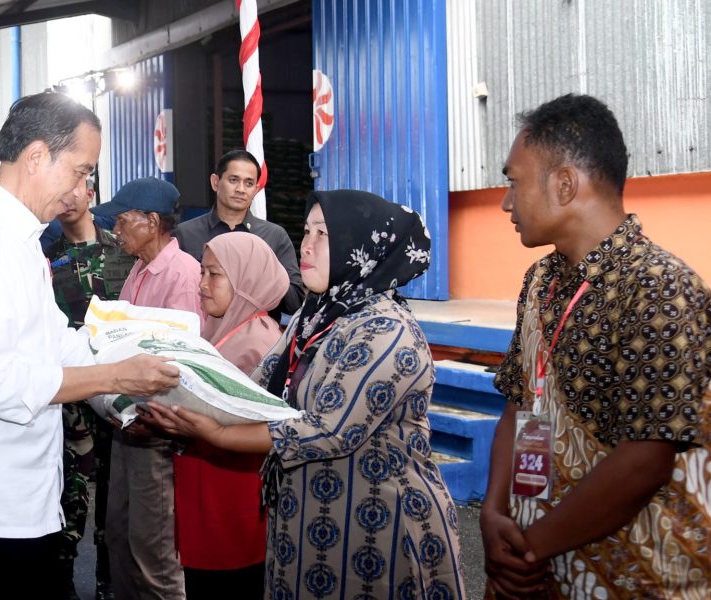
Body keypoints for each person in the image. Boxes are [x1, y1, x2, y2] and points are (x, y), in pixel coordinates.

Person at [147, 190, 466, 600]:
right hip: (308, 525)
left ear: (361, 247)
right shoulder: (315, 316)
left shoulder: (385, 329)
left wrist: (216, 432)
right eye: (306, 230)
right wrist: (182, 399)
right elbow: (256, 391)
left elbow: (328, 430)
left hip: (375, 530)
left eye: (324, 233)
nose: (307, 244)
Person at [0, 92, 181, 600]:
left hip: (21, 490)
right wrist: (117, 375)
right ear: (38, 156)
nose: (82, 189)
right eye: (81, 170)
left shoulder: (18, 240)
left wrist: (127, 345)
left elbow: (51, 342)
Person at [481, 94, 711, 599]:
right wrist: (493, 513)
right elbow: (519, 402)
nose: (506, 202)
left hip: (636, 576)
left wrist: (528, 551)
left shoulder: (660, 288)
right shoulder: (541, 280)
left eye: (513, 181)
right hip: (536, 561)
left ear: (565, 184)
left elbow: (646, 458)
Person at [141, 231, 288, 598]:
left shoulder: (259, 344)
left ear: (246, 280)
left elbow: (265, 429)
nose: (202, 285)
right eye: (202, 273)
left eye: (214, 274)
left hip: (232, 504)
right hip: (203, 491)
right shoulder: (216, 330)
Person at [90, 177, 203, 600]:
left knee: (154, 553)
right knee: (119, 538)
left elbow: (183, 366)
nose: (115, 230)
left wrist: (150, 418)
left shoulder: (183, 275)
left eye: (122, 221)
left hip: (156, 432)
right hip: (129, 423)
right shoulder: (138, 269)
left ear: (152, 222)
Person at [45, 174, 135, 600]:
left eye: (75, 186)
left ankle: (107, 580)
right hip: (69, 400)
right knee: (69, 493)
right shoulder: (44, 260)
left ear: (90, 193)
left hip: (117, 393)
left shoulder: (122, 252)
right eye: (58, 189)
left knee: (116, 500)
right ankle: (62, 579)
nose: (67, 197)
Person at [173, 149, 304, 317]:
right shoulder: (185, 234)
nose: (241, 189)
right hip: (200, 337)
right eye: (233, 180)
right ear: (215, 182)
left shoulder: (274, 236)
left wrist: (262, 275)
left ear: (256, 189)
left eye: (249, 183)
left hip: (256, 339)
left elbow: (295, 303)